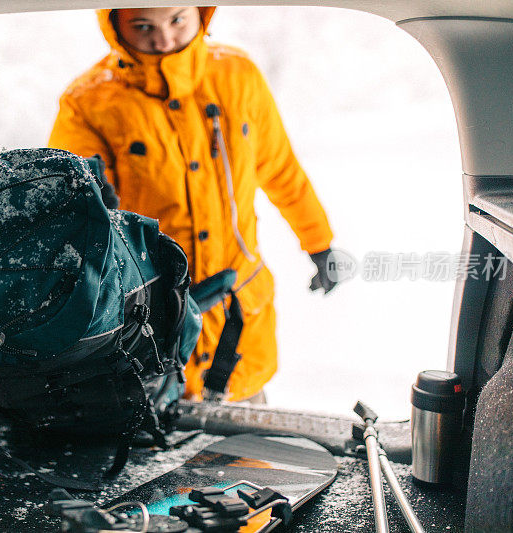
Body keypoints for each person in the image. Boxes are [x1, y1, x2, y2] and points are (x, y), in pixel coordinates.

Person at [49, 7, 336, 403]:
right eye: (144, 26)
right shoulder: (88, 102)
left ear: (202, 12)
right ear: (115, 24)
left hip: (238, 331)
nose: (164, 40)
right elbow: (71, 218)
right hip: (149, 337)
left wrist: (319, 243)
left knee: (249, 461)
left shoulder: (239, 77)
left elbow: (280, 169)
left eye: (178, 20)